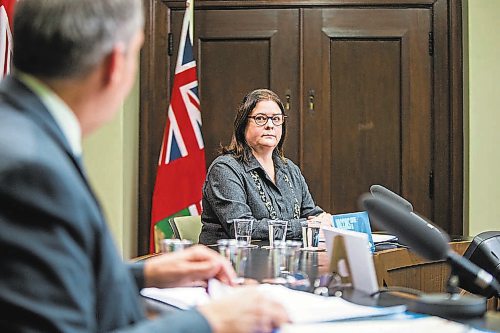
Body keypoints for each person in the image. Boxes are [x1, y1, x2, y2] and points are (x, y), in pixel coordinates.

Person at [0, 1, 289, 332]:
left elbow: (43, 279)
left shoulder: (23, 130)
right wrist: (211, 322)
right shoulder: (30, 169)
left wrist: (146, 274)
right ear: (114, 64)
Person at [200, 89, 332, 245]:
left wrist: (325, 220)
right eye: (260, 118)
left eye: (276, 119)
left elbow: (311, 214)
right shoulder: (225, 169)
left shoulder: (290, 169)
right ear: (243, 125)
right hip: (231, 263)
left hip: (284, 261)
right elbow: (243, 228)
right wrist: (306, 226)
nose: (270, 125)